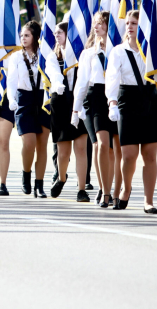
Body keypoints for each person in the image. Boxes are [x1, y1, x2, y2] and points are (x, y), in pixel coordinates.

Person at [105, 10, 157, 213]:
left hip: (150, 99)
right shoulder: (118, 51)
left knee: (150, 154)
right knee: (129, 155)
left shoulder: (153, 51)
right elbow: (112, 77)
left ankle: (149, 201)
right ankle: (126, 188)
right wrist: (112, 102)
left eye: (135, 23)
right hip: (127, 100)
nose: (130, 26)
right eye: (128, 23)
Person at [73, 11, 120, 208]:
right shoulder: (88, 53)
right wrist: (75, 110)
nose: (97, 26)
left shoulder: (117, 50)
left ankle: (112, 189)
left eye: (101, 23)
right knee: (101, 144)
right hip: (96, 97)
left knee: (113, 149)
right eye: (95, 23)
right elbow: (82, 83)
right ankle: (104, 190)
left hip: (115, 95)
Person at [7, 20, 53, 198]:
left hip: (42, 99)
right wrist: (12, 99)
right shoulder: (16, 57)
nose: (23, 38)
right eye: (21, 36)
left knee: (42, 145)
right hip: (24, 99)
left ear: (35, 37)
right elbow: (11, 81)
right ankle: (26, 174)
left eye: (27, 35)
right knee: (29, 143)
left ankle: (39, 185)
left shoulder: (45, 54)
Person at [46, 22, 90, 202]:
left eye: (61, 32)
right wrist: (58, 84)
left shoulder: (82, 56)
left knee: (81, 148)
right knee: (63, 152)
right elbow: (54, 74)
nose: (57, 35)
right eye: (56, 32)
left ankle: (81, 189)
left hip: (78, 100)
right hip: (61, 101)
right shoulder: (52, 57)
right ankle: (62, 177)